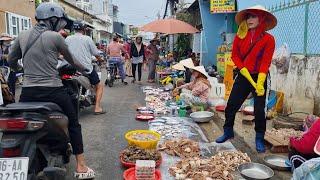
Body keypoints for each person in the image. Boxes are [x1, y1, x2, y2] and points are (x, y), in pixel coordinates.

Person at [8, 2, 95, 179]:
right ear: (53, 19)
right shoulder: (55, 37)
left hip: (28, 92)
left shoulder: (22, 35)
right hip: (53, 91)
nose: (62, 24)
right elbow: (72, 61)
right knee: (73, 124)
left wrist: (20, 69)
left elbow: (11, 59)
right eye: (60, 21)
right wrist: (86, 69)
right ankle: (81, 166)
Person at [215, 5, 277, 153]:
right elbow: (235, 55)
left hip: (260, 75)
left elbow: (265, 61)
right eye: (248, 16)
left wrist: (260, 81)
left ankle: (259, 138)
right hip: (244, 74)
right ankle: (228, 131)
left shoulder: (269, 39)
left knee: (259, 109)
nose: (249, 19)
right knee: (231, 105)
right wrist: (243, 69)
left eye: (253, 16)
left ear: (261, 18)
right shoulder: (240, 36)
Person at [65, 20, 105, 115]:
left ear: (74, 29)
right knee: (99, 86)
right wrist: (100, 60)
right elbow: (96, 54)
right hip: (85, 69)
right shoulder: (87, 39)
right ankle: (97, 108)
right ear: (84, 29)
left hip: (69, 68)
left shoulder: (67, 39)